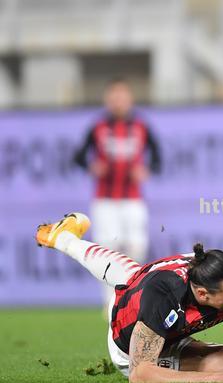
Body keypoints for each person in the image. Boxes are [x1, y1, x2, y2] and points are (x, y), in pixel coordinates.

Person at [36, 213, 223, 383]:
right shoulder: (164, 297)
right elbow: (140, 374)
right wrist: (211, 379)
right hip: (129, 348)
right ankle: (65, 240)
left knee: (127, 272)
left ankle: (63, 238)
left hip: (140, 283)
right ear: (202, 293)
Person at [73, 78, 162, 306]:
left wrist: (147, 170)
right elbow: (79, 156)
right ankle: (110, 303)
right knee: (107, 249)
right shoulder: (98, 127)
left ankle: (131, 298)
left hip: (133, 199)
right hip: (105, 200)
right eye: (114, 96)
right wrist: (91, 166)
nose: (118, 101)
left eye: (122, 96)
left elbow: (158, 158)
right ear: (107, 99)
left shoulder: (142, 127)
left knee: (136, 247)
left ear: (130, 99)